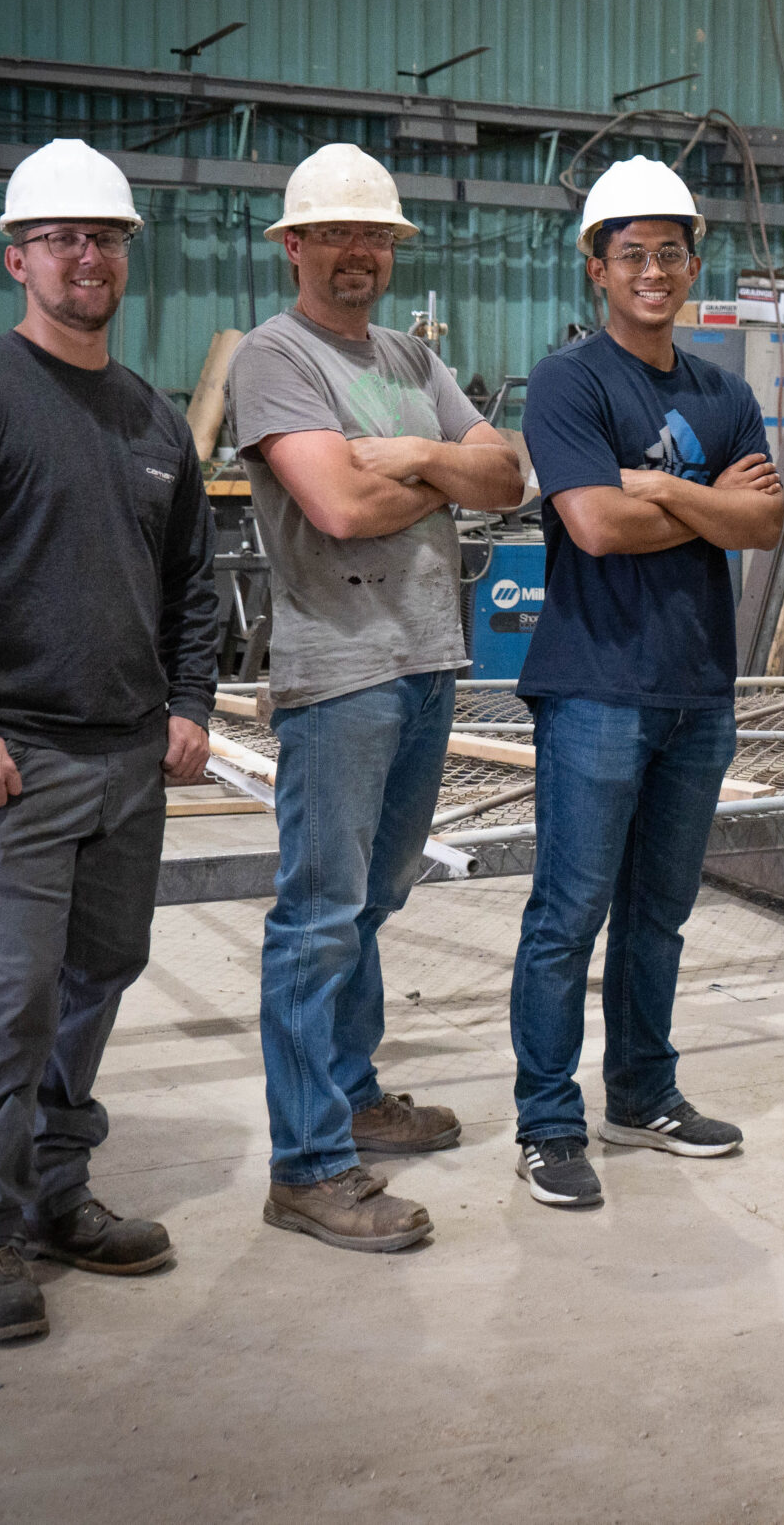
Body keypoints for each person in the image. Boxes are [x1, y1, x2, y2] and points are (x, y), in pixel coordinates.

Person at [0, 139, 217, 1343]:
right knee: (12, 998)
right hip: (13, 763)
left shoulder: (151, 417)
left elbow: (190, 585)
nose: (87, 257)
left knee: (97, 981)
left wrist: (191, 704)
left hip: (129, 759)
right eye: (63, 237)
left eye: (107, 238)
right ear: (15, 257)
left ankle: (59, 1192)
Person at [231, 143, 526, 1252]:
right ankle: (307, 1168)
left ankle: (351, 1095)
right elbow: (340, 511)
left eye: (376, 238)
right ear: (294, 246)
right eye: (337, 236)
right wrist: (432, 473)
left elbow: (506, 477)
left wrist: (402, 454)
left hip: (424, 658)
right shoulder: (275, 357)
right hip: (339, 672)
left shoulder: (406, 356)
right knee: (315, 920)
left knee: (371, 904)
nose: (358, 254)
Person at [507, 157, 784, 1211]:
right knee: (568, 914)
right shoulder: (569, 381)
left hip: (697, 689)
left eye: (672, 252)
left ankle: (643, 1093)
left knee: (658, 914)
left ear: (693, 261)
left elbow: (762, 523)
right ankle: (546, 1122)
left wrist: (655, 486)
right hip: (594, 687)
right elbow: (592, 525)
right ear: (597, 267)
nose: (655, 271)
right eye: (633, 254)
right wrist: (700, 497)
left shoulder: (724, 390)